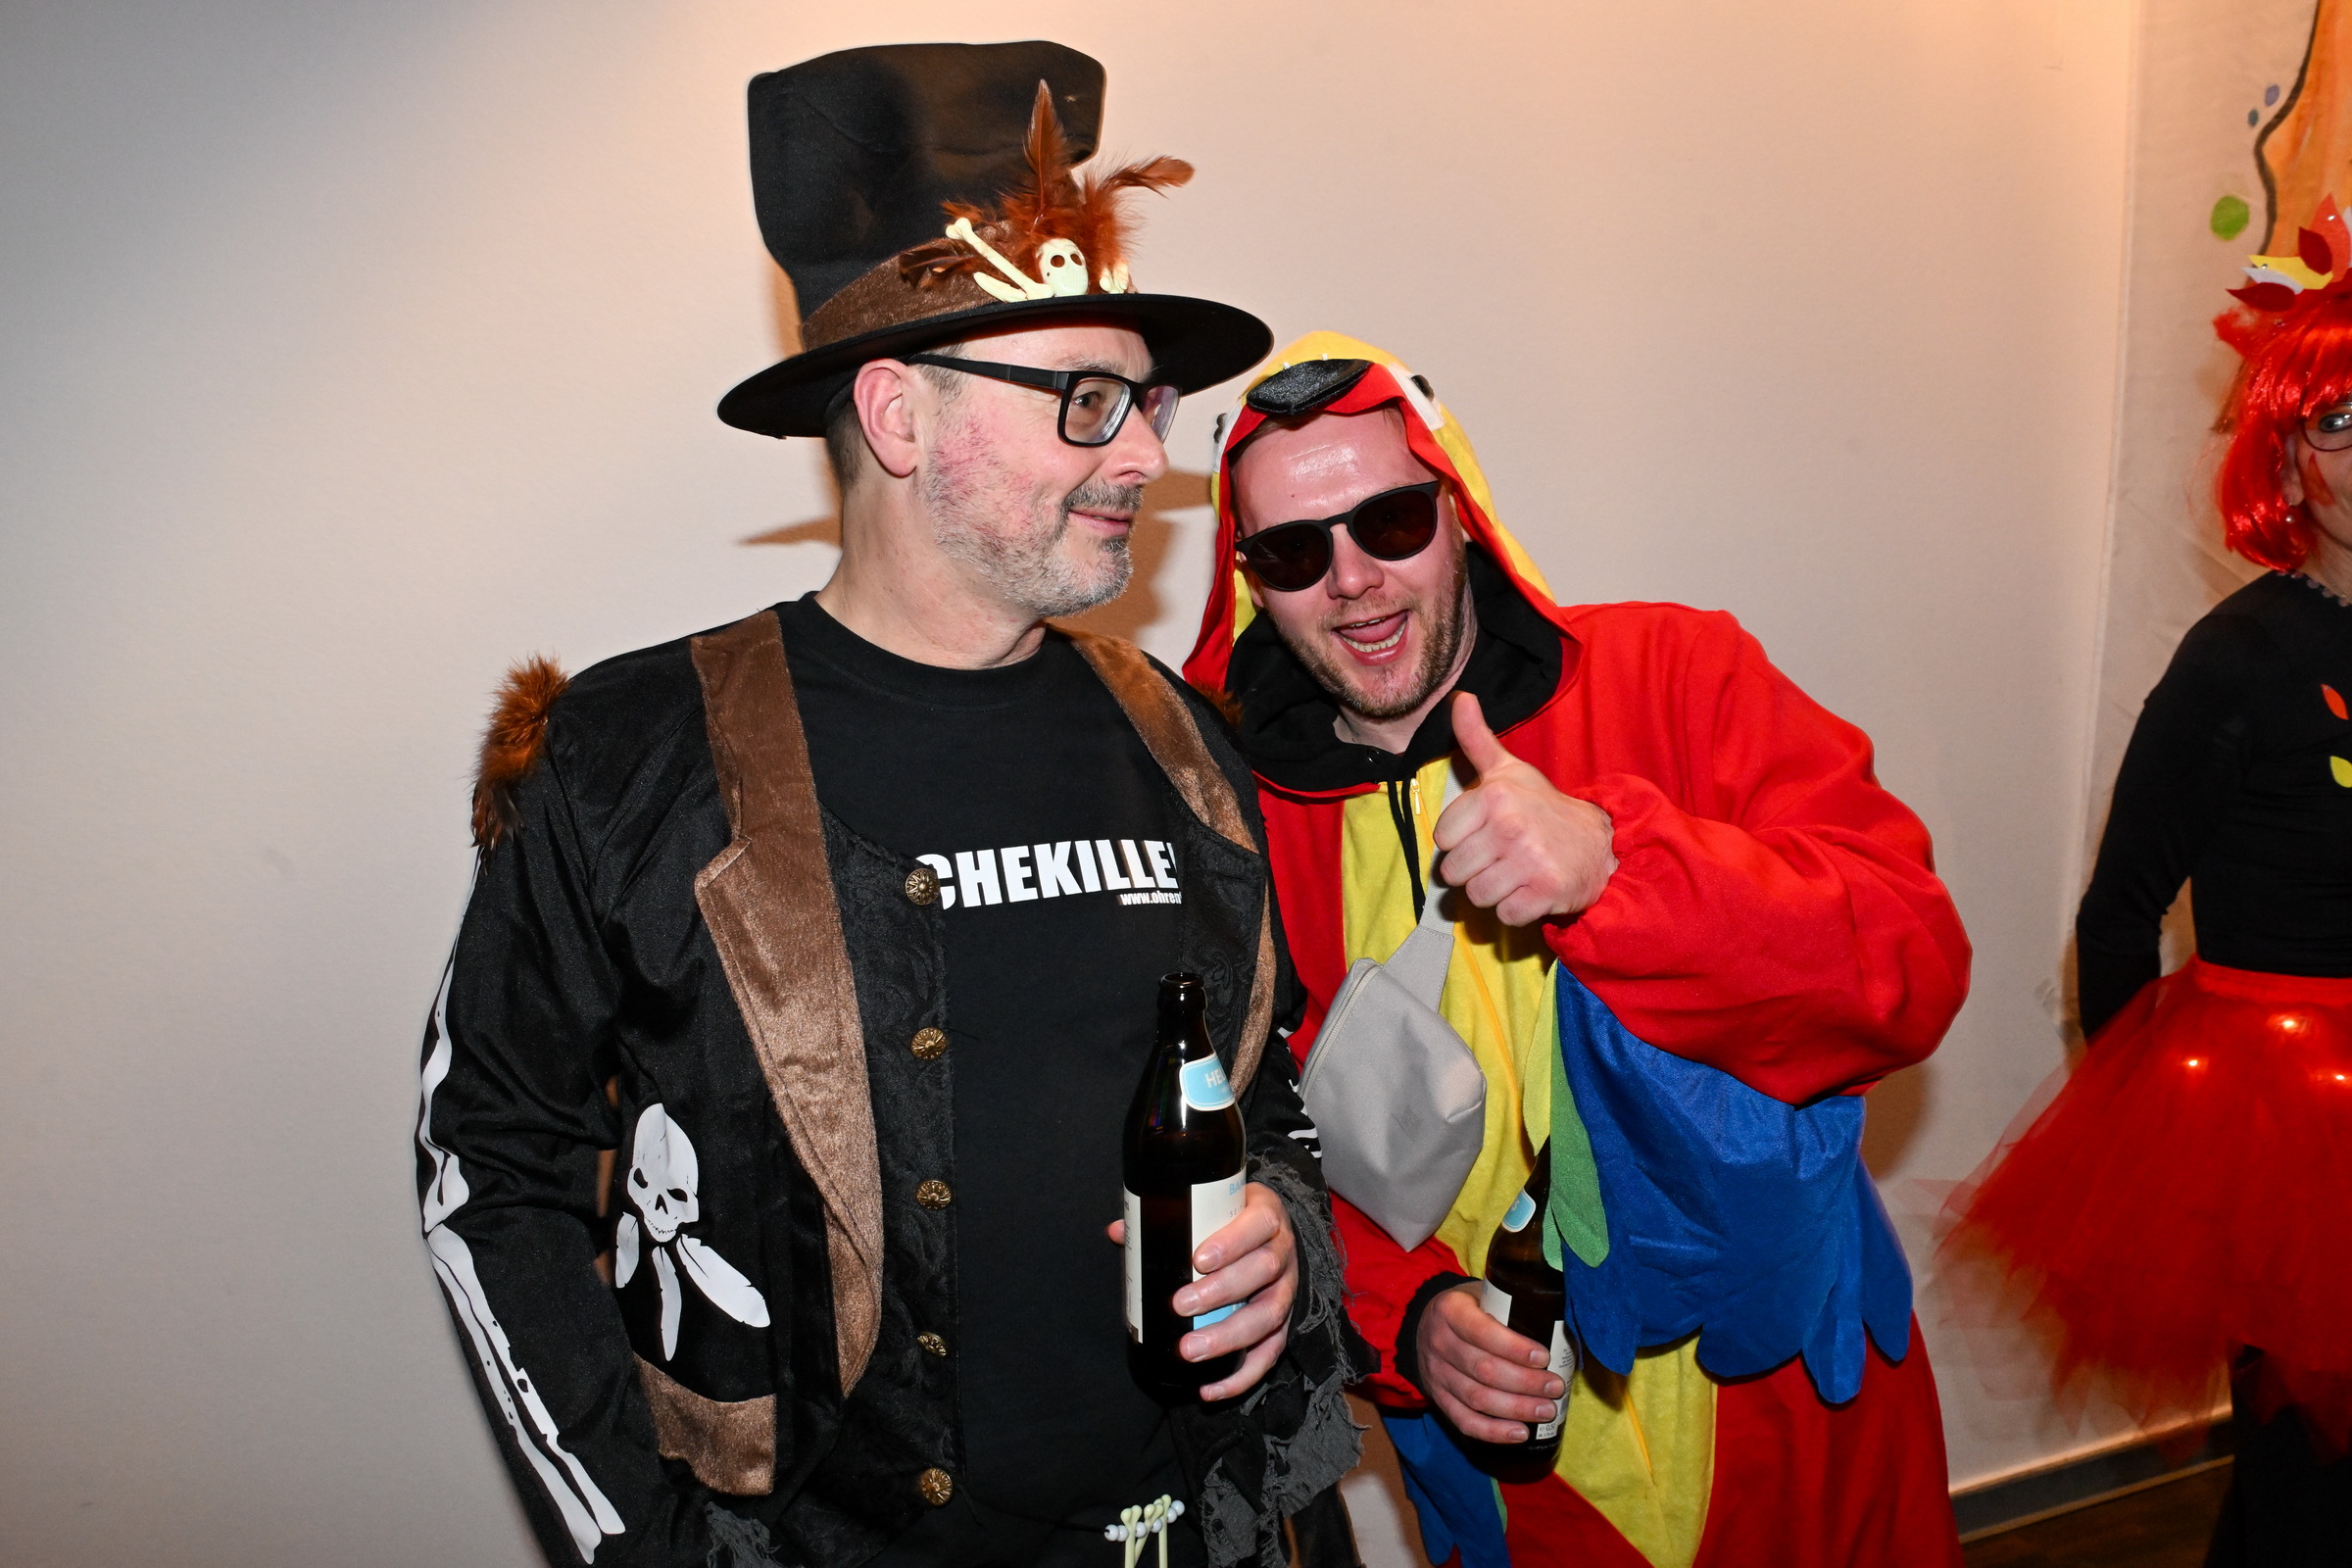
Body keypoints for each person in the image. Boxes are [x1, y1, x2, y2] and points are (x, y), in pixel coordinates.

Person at [415, 45, 1365, 1568]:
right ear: (900, 416)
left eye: (1146, 400)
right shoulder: (636, 758)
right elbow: (492, 1165)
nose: (1145, 452)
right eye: (1087, 400)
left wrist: (1283, 1235)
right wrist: (642, 1542)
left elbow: (1273, 1093)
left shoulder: (1184, 741)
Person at [1180, 333, 1975, 1567]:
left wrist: (1622, 868)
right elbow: (1254, 1151)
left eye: (1391, 521)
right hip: (1514, 1470)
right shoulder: (1237, 827)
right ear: (1251, 584)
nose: (1352, 581)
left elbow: (1908, 967)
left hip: (1785, 1409)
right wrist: (1407, 1319)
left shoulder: (1675, 674)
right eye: (1292, 550)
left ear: (1459, 510)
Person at [1947, 256, 2352, 1563]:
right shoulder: (2237, 659)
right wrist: (2141, 1141)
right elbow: (2121, 911)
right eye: (2338, 419)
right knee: (2306, 1473)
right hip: (2281, 1116)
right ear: (2283, 464)